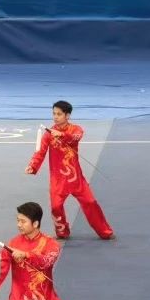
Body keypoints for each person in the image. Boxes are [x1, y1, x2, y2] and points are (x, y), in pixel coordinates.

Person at [26, 100, 114, 240]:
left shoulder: (76, 129)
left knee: (91, 203)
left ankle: (105, 231)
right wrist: (33, 166)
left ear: (67, 115)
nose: (55, 117)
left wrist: (62, 135)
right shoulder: (48, 134)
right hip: (58, 180)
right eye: (54, 114)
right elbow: (40, 152)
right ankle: (62, 232)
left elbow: (76, 137)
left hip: (76, 179)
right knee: (56, 207)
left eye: (59, 114)